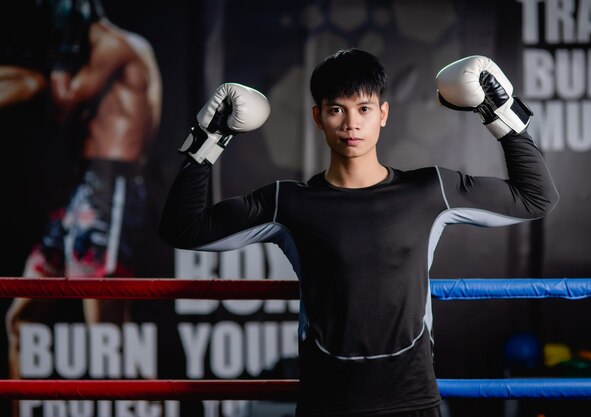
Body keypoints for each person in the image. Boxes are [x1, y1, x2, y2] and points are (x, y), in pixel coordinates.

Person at [158, 49, 559, 417]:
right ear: (318, 117)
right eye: (337, 110)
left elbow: (536, 197)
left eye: (364, 108)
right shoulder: (289, 203)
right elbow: (183, 227)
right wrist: (208, 139)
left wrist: (501, 114)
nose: (351, 124)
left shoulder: (428, 190)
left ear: (383, 114)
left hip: (413, 402)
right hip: (326, 405)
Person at [5, 0, 162, 382]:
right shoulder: (98, 54)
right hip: (80, 191)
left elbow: (62, 103)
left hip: (110, 188)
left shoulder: (113, 45)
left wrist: (60, 60)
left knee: (107, 333)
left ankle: (153, 409)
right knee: (20, 318)